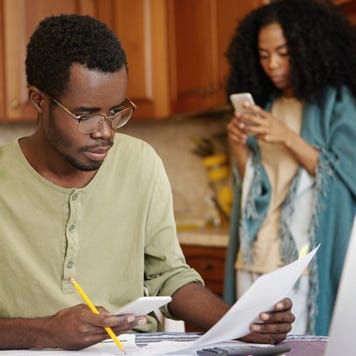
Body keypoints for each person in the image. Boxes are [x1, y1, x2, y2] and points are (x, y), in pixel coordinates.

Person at [0, 14, 294, 350]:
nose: (106, 131)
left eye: (115, 111)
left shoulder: (140, 163)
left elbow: (169, 276)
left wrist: (241, 323)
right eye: (86, 115)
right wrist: (46, 332)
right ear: (39, 100)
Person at [224, 0, 356, 336]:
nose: (273, 64)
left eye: (283, 52)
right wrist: (237, 145)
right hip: (253, 257)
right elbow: (256, 188)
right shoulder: (267, 105)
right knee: (250, 346)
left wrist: (287, 137)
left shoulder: (337, 103)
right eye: (264, 55)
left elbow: (345, 176)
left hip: (302, 266)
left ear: (307, 48)